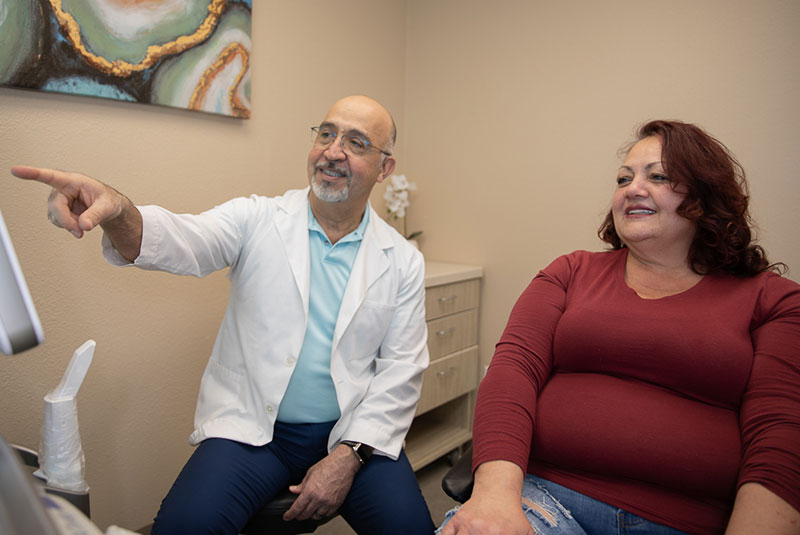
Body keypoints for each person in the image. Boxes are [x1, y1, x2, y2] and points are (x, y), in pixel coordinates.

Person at [13, 95, 436, 535]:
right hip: (255, 433)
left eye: (356, 142)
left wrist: (349, 456)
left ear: (385, 168)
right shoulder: (256, 218)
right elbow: (182, 240)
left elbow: (401, 370)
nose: (333, 151)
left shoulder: (402, 259)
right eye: (326, 134)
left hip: (353, 433)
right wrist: (118, 210)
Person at [439, 120, 800, 535]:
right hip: (543, 500)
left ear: (705, 196)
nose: (632, 188)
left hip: (688, 521)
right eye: (623, 178)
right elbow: (512, 372)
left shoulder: (773, 301)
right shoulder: (571, 271)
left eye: (658, 176)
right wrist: (495, 498)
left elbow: (781, 432)